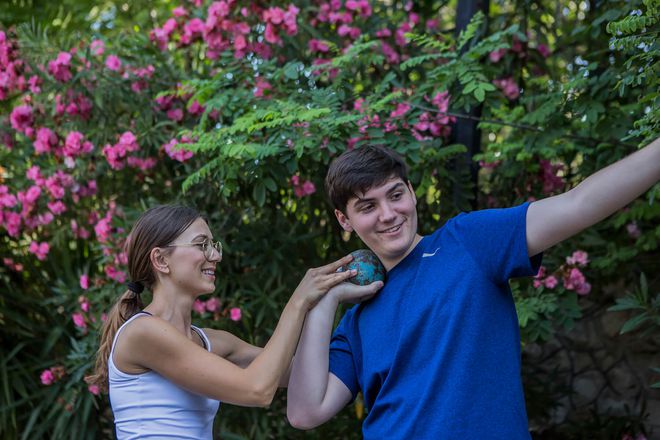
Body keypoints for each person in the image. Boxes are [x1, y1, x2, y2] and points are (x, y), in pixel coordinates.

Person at [287, 139, 660, 438]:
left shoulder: (467, 243)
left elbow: (578, 204)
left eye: (395, 194)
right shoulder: (355, 322)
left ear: (412, 193)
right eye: (367, 206)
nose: (388, 214)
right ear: (344, 219)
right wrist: (326, 299)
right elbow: (305, 413)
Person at [85, 204, 381, 439]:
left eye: (214, 245)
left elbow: (304, 378)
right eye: (202, 245)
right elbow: (257, 389)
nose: (215, 255)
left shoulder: (215, 342)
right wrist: (299, 301)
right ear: (161, 260)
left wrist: (327, 302)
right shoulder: (142, 333)